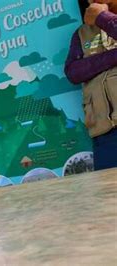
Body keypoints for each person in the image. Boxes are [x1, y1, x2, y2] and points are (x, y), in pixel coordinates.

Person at [64, 0, 117, 170]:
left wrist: (103, 17)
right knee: (110, 193)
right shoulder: (81, 33)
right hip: (105, 135)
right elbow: (73, 72)